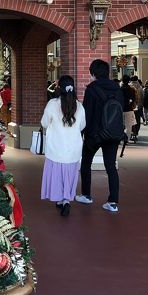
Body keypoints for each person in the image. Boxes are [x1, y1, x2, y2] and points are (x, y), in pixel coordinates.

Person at [76, 59, 124, 213]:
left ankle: (86, 195)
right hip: (113, 133)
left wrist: (81, 134)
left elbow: (87, 114)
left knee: (86, 164)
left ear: (93, 73)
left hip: (95, 135)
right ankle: (113, 202)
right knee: (111, 167)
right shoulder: (117, 88)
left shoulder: (92, 89)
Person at [40, 75, 86, 217]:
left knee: (57, 175)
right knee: (70, 175)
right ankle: (67, 200)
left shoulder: (52, 104)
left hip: (55, 148)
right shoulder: (79, 106)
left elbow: (44, 123)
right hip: (74, 148)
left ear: (59, 87)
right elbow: (82, 125)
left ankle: (60, 199)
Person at [120, 75, 137, 142]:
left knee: (120, 125)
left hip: (120, 109)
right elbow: (134, 99)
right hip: (129, 109)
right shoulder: (132, 90)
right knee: (128, 126)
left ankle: (120, 138)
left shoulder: (119, 90)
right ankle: (126, 139)